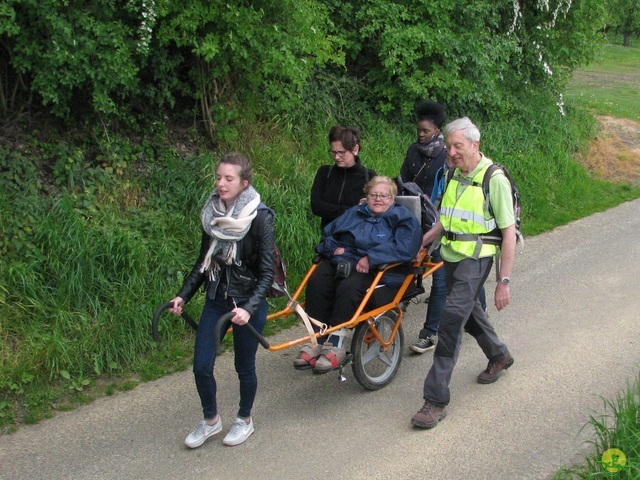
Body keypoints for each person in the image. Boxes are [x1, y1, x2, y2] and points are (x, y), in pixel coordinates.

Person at [411, 117, 516, 429]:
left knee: (451, 320)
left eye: (458, 146)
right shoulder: (454, 172)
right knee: (468, 311)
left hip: (477, 258)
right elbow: (447, 218)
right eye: (450, 145)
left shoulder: (493, 178)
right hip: (451, 256)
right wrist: (425, 240)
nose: (452, 151)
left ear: (475, 145)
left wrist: (503, 282)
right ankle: (499, 354)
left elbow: (508, 233)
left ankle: (435, 399)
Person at [169, 152, 275, 448]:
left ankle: (244, 419)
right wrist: (183, 295)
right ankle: (210, 421)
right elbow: (203, 263)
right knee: (201, 366)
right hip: (216, 298)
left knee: (244, 366)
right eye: (218, 177)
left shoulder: (260, 217)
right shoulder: (212, 213)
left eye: (228, 178)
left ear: (244, 183)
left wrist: (249, 308)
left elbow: (266, 274)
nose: (221, 183)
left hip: (246, 301)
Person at [294, 176, 423, 373]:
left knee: (349, 287)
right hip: (344, 260)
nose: (378, 199)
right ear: (366, 197)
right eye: (373, 195)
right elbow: (328, 235)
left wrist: (372, 258)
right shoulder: (355, 213)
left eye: (384, 196)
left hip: (379, 269)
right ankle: (316, 340)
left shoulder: (402, 217)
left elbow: (406, 247)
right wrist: (333, 250)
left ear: (392, 198)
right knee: (317, 281)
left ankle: (336, 343)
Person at [398, 101, 487, 354]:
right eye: (450, 149)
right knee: (452, 279)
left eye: (425, 131)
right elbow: (407, 180)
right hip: (427, 220)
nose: (451, 154)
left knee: (445, 280)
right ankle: (479, 315)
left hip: (463, 234)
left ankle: (431, 332)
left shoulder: (471, 170)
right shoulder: (418, 155)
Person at [310, 125, 377, 231]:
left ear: (355, 149)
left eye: (341, 152)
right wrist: (353, 210)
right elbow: (316, 206)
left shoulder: (369, 177)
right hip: (328, 237)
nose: (336, 157)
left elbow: (373, 210)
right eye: (333, 152)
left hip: (357, 238)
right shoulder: (325, 172)